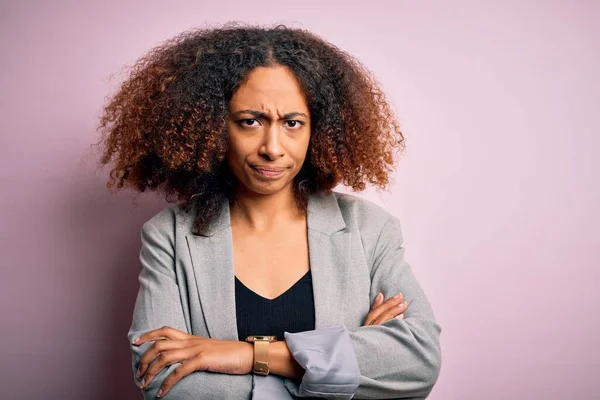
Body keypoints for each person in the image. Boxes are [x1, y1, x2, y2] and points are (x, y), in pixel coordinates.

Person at [96, 23, 441, 399]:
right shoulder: (170, 236)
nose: (272, 148)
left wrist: (249, 356)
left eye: (292, 123)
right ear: (213, 128)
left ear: (318, 131)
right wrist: (339, 367)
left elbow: (418, 361)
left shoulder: (369, 229)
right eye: (250, 121)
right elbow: (166, 382)